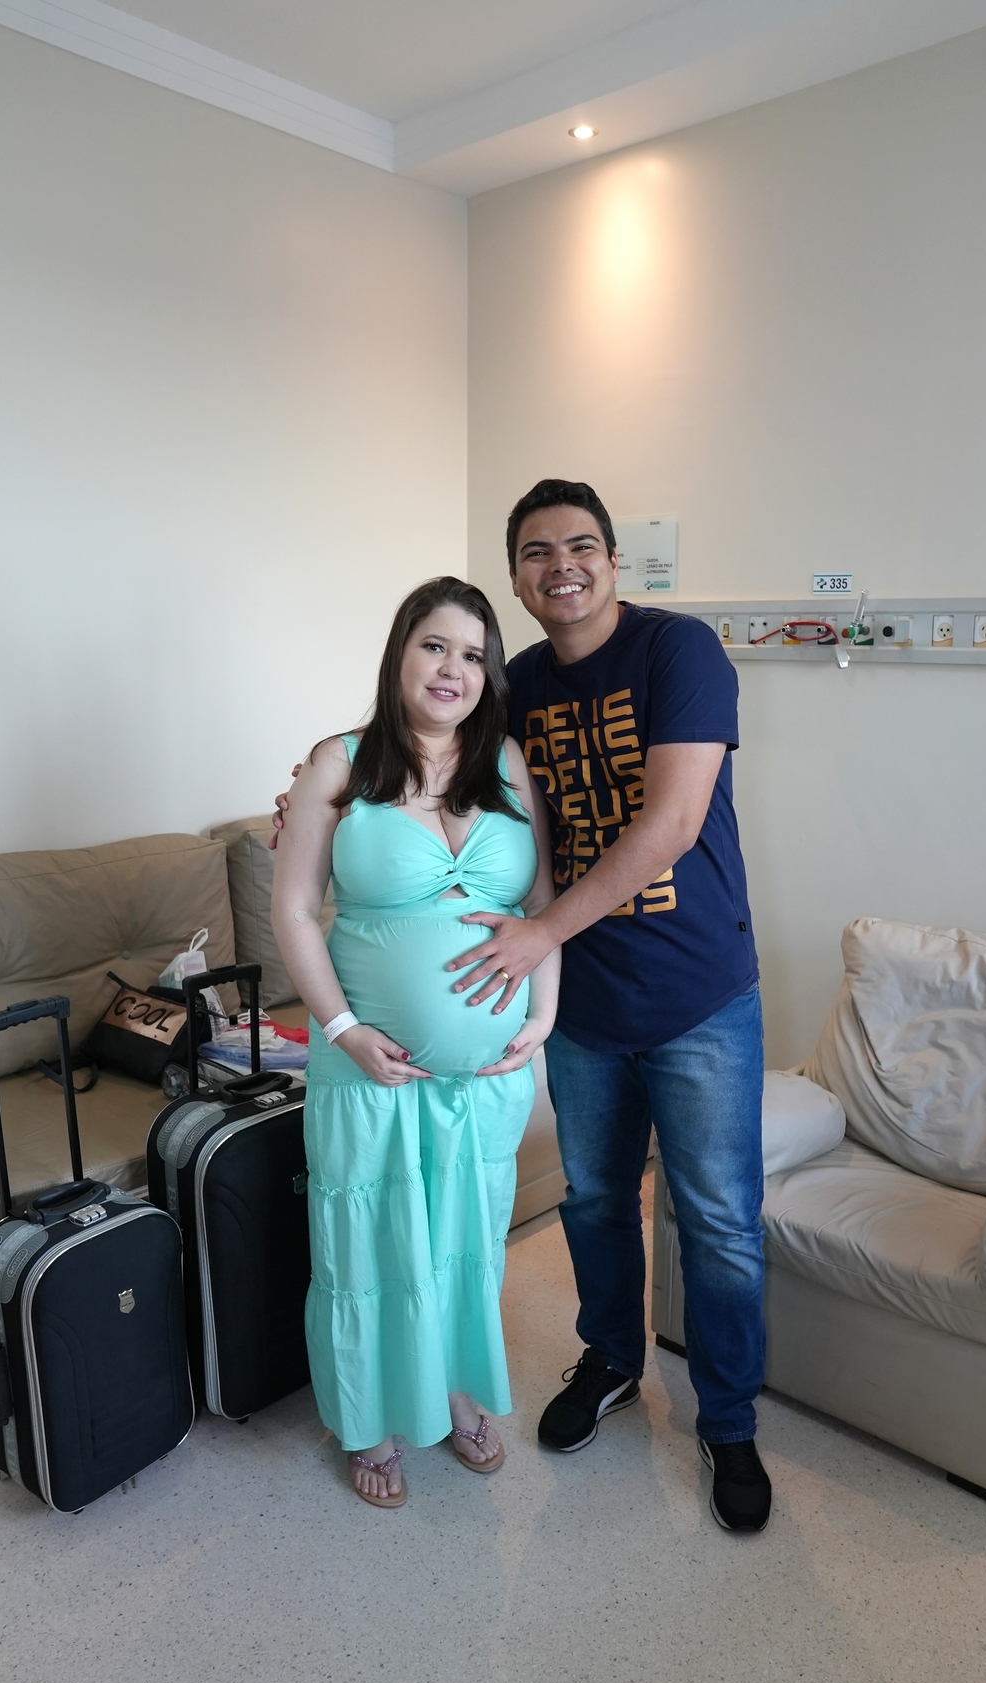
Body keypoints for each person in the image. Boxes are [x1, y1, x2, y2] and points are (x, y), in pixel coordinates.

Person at [442, 480, 770, 1534]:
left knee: (718, 1224)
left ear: (614, 561)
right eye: (537, 552)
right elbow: (429, 750)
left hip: (698, 995)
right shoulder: (518, 686)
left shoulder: (680, 652)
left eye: (580, 546)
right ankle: (614, 1360)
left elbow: (671, 824)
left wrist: (541, 931)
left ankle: (728, 1420)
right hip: (585, 1004)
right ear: (516, 577)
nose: (562, 566)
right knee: (593, 1202)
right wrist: (316, 793)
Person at [270, 576, 559, 1509]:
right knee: (369, 1249)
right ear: (400, 651)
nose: (452, 669)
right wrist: (344, 1029)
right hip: (371, 1071)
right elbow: (294, 911)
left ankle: (459, 1392)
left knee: (466, 1244)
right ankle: (370, 1420)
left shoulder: (506, 762)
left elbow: (540, 903)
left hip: (485, 1077)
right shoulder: (338, 762)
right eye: (435, 645)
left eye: (473, 655)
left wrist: (542, 1017)